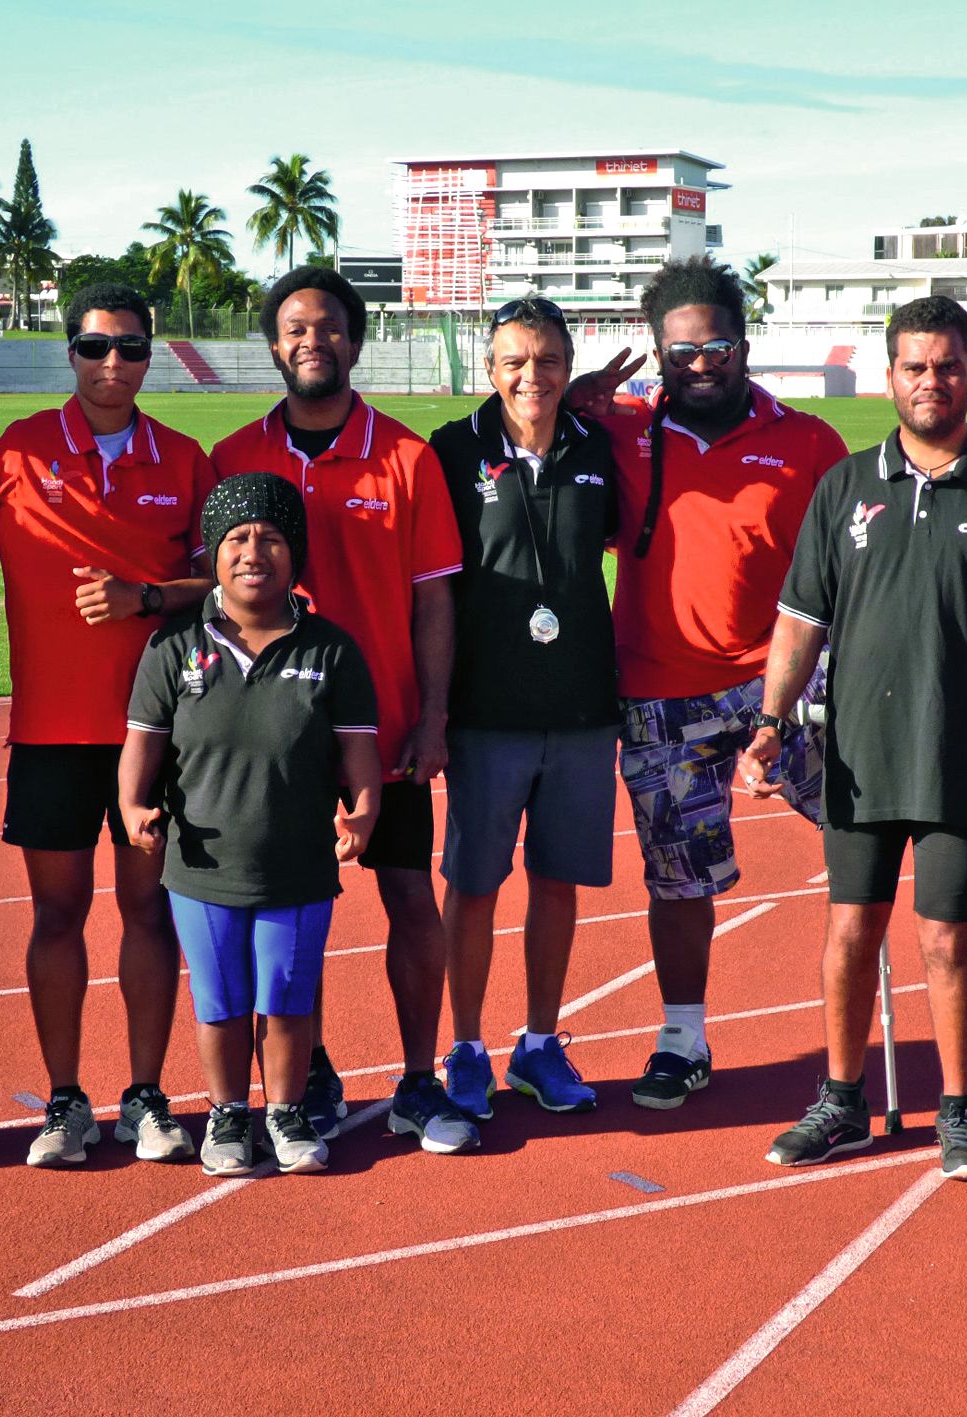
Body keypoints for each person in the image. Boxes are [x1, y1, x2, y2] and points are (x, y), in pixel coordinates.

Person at [742, 297, 967, 1177]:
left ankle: (960, 1110)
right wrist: (771, 723)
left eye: (948, 365)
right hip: (858, 755)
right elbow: (798, 621)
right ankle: (841, 1098)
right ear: (890, 375)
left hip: (964, 756)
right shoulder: (846, 486)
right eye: (915, 366)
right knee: (849, 927)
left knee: (946, 937)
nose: (933, 381)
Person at [568, 256, 849, 1108]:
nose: (697, 365)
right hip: (658, 693)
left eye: (714, 347)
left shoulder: (807, 442)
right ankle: (681, 1038)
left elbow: (843, 578)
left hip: (783, 683)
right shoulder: (617, 429)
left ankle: (854, 1041)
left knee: (865, 835)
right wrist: (581, 401)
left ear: (743, 344)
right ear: (657, 350)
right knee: (679, 878)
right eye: (679, 351)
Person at [209, 268, 476, 1152]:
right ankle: (306, 1073)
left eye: (328, 327)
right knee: (285, 915)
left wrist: (434, 715)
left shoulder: (406, 457)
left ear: (355, 343)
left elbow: (435, 599)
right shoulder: (234, 457)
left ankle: (416, 1077)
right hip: (271, 739)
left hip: (386, 728)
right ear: (274, 343)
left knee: (408, 895)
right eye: (293, 328)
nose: (311, 340)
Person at [0, 283, 216, 1168]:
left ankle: (146, 1094)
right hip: (49, 735)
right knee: (56, 913)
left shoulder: (184, 459)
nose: (114, 363)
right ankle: (65, 1099)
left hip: (160, 734)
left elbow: (227, 583)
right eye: (96, 346)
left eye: (132, 348)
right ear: (69, 350)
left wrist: (149, 596)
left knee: (150, 913)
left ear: (153, 356)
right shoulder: (21, 449)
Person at [120, 476, 382, 1175]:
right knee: (222, 1002)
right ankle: (227, 1113)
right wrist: (133, 806)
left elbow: (360, 754)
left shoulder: (331, 649)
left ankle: (286, 1111)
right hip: (201, 866)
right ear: (212, 553)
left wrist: (361, 813)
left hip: (297, 864)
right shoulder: (173, 647)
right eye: (236, 538)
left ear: (295, 552)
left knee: (288, 999)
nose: (252, 551)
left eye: (269, 537)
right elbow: (141, 746)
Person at [427, 297, 621, 1121]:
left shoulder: (597, 448)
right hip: (485, 708)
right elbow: (430, 585)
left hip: (580, 706)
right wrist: (433, 710)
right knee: (473, 884)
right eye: (514, 360)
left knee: (558, 882)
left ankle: (539, 1044)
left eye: (545, 360)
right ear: (489, 366)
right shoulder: (451, 449)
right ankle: (466, 1046)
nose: (529, 375)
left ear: (567, 367)